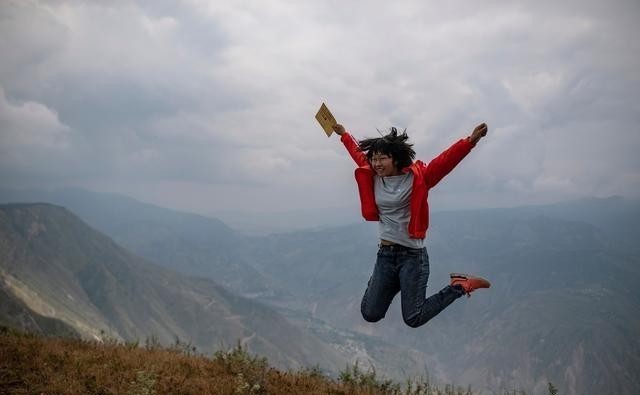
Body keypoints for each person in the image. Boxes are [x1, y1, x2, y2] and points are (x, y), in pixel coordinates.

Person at [331, 122, 491, 328]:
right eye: (374, 158)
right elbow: (357, 153)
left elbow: (444, 162)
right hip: (386, 255)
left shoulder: (418, 178)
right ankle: (393, 281)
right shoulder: (373, 175)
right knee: (370, 313)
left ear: (395, 159)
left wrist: (470, 141)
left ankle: (459, 286)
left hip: (412, 257)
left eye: (382, 158)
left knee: (413, 317)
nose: (376, 163)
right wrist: (343, 134)